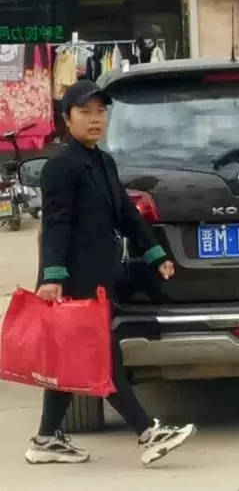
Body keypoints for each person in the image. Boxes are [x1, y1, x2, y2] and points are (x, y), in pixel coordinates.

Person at [25, 79, 196, 467]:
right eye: (85, 112)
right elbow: (56, 224)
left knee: (73, 359)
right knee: (102, 357)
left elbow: (125, 212)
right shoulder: (60, 166)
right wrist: (52, 275)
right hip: (71, 281)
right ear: (67, 118)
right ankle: (148, 433)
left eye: (101, 111)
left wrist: (154, 253)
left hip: (99, 277)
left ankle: (46, 438)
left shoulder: (102, 161)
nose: (95, 119)